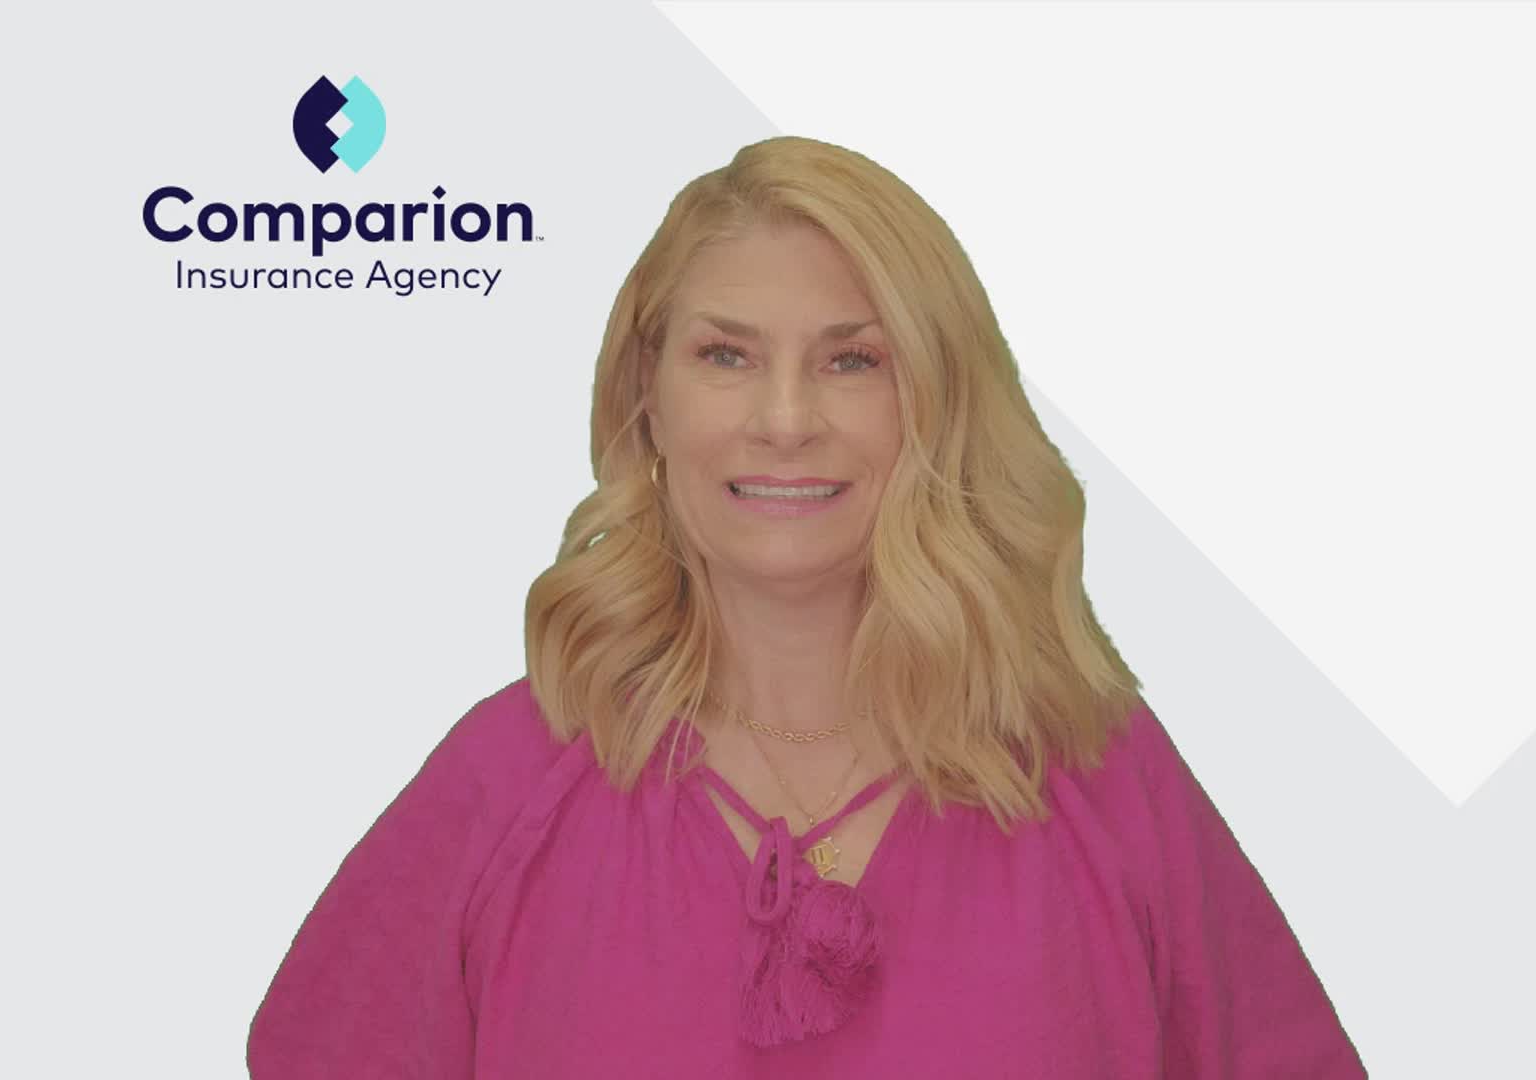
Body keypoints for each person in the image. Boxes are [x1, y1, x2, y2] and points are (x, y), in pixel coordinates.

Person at [246, 135, 1368, 1078]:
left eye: (852, 362)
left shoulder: (1097, 774)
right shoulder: (509, 782)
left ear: (937, 403)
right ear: (647, 397)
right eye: (727, 355)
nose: (785, 420)